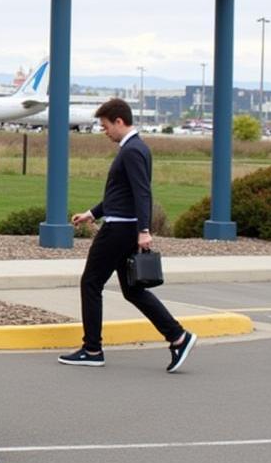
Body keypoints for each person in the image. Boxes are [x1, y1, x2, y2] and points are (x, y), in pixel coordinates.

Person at [58, 97, 196, 373]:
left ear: (119, 121)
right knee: (133, 290)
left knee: (91, 283)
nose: (104, 131)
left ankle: (92, 349)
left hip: (120, 229)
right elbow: (121, 193)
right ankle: (178, 337)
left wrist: (145, 231)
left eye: (106, 125)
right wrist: (92, 213)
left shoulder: (132, 151)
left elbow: (141, 192)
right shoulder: (135, 147)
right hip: (124, 226)